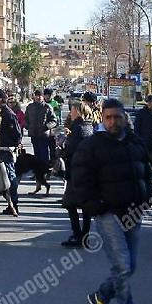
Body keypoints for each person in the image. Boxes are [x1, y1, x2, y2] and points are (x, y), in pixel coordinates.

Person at [72, 99, 152, 304]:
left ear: (125, 118)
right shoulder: (91, 145)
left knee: (129, 266)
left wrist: (147, 197)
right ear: (102, 118)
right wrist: (95, 206)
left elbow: (146, 171)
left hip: (134, 212)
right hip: (109, 215)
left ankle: (101, 296)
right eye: (108, 117)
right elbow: (80, 179)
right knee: (123, 266)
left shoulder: (135, 142)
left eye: (117, 117)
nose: (113, 121)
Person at [60, 101, 95, 247]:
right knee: (85, 205)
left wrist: (61, 145)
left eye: (73, 111)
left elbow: (70, 150)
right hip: (87, 171)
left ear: (78, 112)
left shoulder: (78, 128)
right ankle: (84, 235)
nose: (70, 113)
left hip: (77, 170)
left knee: (70, 203)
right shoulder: (88, 126)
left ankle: (77, 234)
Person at [0, 89, 21, 216]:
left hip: (5, 150)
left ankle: (14, 204)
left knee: (9, 177)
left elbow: (17, 134)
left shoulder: (7, 113)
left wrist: (13, 146)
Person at [133, 95, 152, 184]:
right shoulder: (141, 113)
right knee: (144, 160)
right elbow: (137, 127)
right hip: (144, 139)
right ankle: (145, 178)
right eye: (150, 103)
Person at [24, 90, 56, 166]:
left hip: (43, 135)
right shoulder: (30, 107)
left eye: (40, 95)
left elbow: (54, 120)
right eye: (36, 95)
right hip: (33, 134)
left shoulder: (47, 107)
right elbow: (26, 119)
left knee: (44, 155)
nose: (38, 97)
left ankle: (44, 171)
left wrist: (46, 127)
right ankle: (37, 172)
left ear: (43, 97)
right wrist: (28, 126)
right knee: (36, 154)